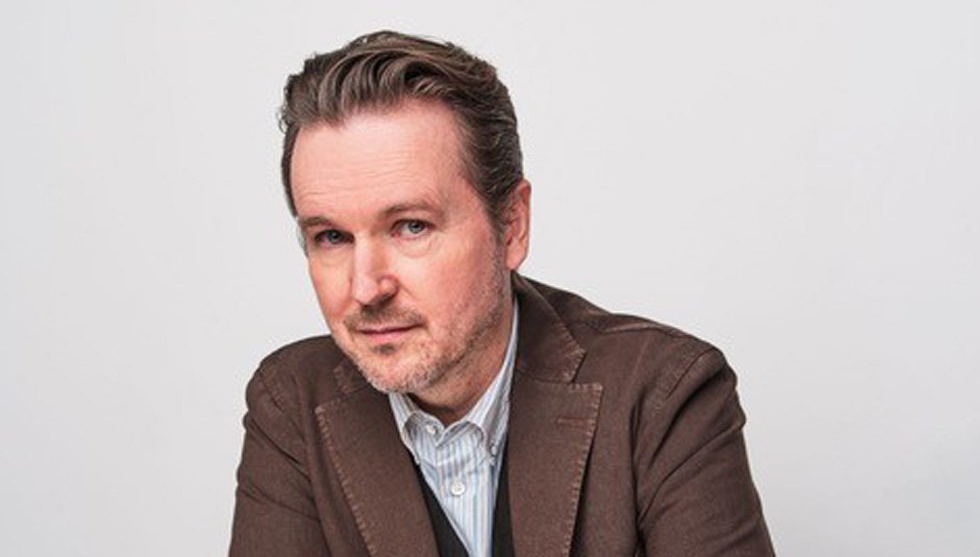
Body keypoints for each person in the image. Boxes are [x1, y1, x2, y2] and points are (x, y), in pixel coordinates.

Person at [229, 30, 774, 557]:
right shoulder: (292, 403)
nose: (366, 288)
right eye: (331, 237)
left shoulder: (663, 394)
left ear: (511, 225)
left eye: (411, 226)